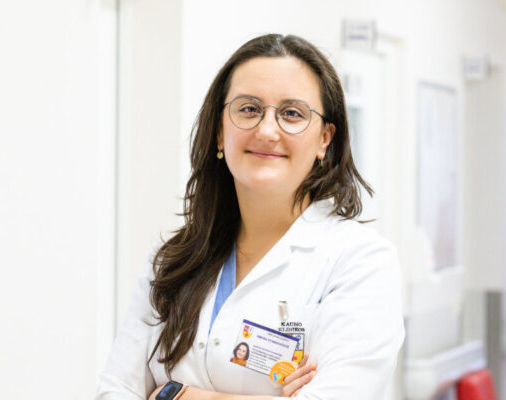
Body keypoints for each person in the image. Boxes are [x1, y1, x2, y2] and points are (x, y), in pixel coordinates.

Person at [95, 33, 405, 400]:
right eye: (248, 109)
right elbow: (114, 391)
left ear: (325, 139)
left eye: (292, 113)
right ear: (220, 132)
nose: (267, 130)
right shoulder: (175, 260)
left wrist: (178, 395)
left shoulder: (361, 262)